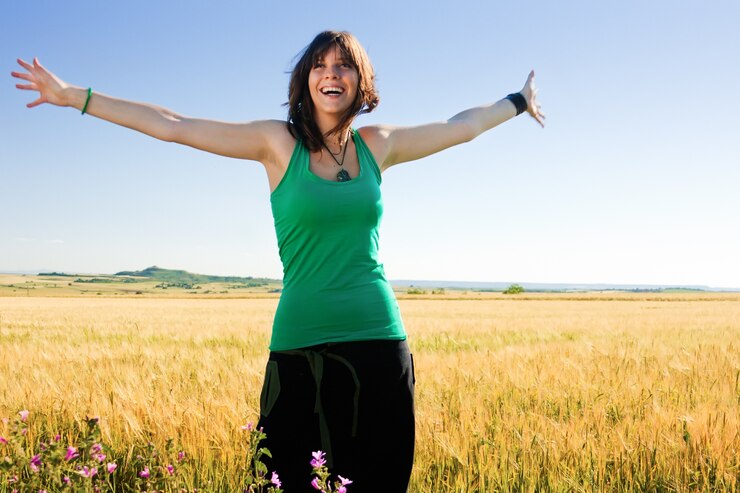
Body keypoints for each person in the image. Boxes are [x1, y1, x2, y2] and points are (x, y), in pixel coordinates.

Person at [13, 30, 544, 492]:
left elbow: (462, 125)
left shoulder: (379, 145)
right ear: (305, 80)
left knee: (380, 480)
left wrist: (517, 101)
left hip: (379, 344)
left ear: (362, 82)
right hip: (298, 347)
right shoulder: (275, 143)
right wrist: (74, 97)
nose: (331, 75)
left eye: (344, 66)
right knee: (285, 479)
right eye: (320, 65)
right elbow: (172, 123)